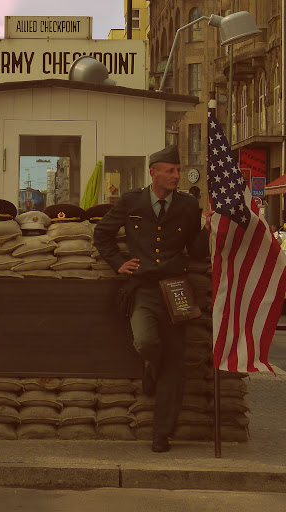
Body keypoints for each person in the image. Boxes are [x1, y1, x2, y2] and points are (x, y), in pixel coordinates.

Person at [93, 145, 208, 454]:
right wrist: (118, 262)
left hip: (176, 288)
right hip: (143, 288)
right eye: (170, 170)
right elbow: (102, 234)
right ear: (153, 172)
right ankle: (151, 366)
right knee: (145, 342)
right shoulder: (132, 200)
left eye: (178, 170)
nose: (176, 176)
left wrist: (209, 228)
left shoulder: (187, 205)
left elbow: (197, 252)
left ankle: (162, 433)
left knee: (176, 361)